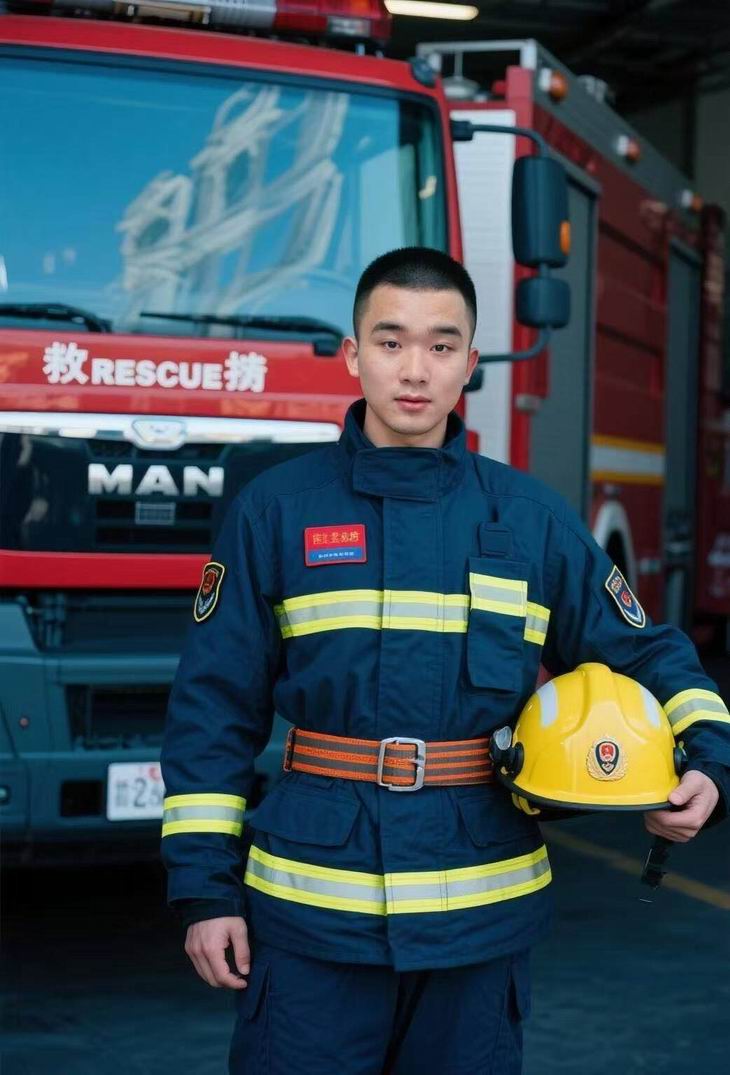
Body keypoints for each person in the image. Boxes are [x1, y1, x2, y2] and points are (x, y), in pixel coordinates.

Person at [160, 247, 730, 1074]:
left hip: (479, 916)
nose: (415, 369)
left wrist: (710, 760)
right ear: (353, 354)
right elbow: (213, 709)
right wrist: (205, 890)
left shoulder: (530, 519)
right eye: (390, 342)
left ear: (471, 362)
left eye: (441, 344)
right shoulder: (275, 512)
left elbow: (645, 651)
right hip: (312, 914)